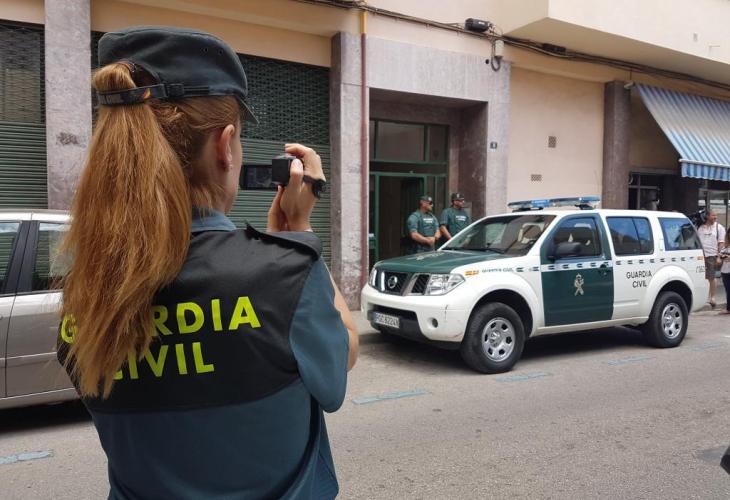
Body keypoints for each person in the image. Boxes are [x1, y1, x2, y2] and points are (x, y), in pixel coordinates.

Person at [57, 26, 358, 499]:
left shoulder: (84, 292)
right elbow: (342, 358)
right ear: (225, 145)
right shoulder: (282, 271)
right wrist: (297, 234)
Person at [697, 209, 726, 308]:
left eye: (716, 215)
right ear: (707, 216)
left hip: (712, 255)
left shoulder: (719, 227)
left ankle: (712, 297)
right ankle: (705, 297)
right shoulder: (700, 228)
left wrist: (719, 256)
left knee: (712, 277)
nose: (715, 217)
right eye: (713, 215)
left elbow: (721, 243)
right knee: (703, 277)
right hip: (701, 256)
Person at [719, 231, 730, 315]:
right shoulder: (725, 247)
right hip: (725, 271)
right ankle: (728, 308)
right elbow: (719, 256)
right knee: (728, 290)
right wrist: (720, 259)